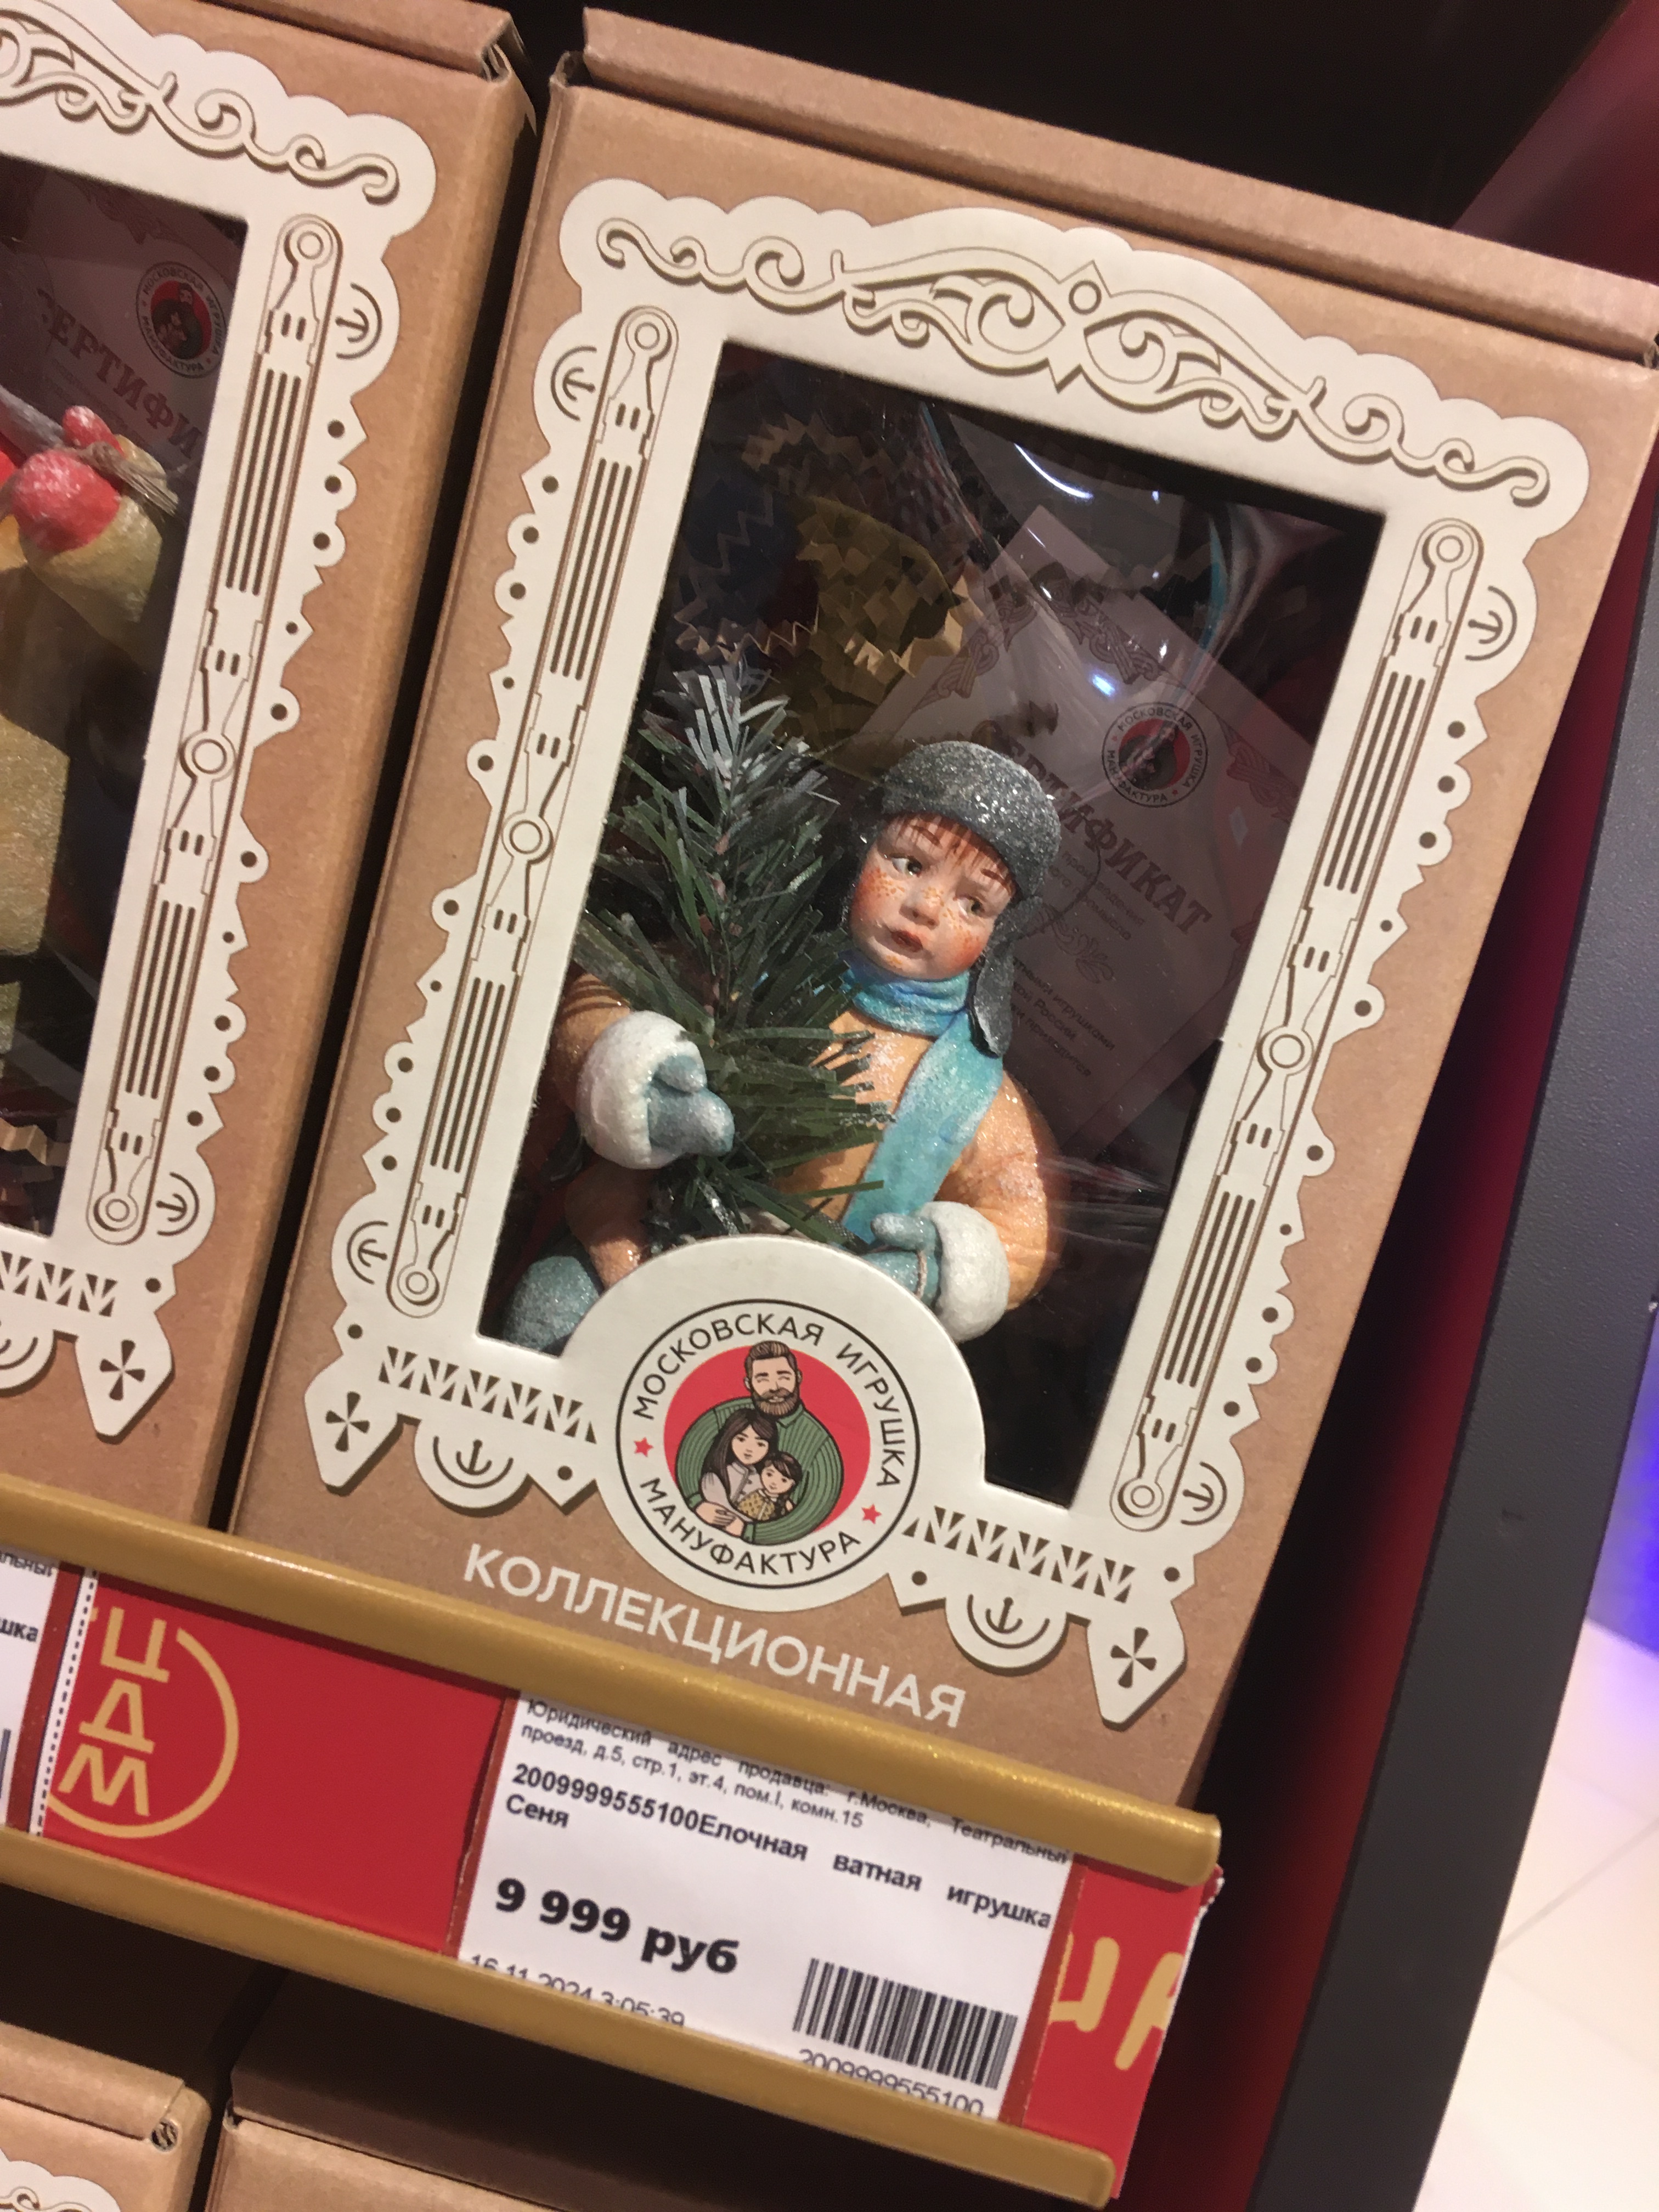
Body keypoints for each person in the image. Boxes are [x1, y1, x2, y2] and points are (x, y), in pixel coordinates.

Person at [507, 741, 1065, 1350]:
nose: (927, 907)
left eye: (973, 904)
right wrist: (636, 1074)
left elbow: (1024, 1216)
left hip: (797, 1331)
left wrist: (938, 1266)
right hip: (639, 1248)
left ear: (999, 935)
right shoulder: (748, 964)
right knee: (553, 1313)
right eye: (909, 864)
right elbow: (615, 988)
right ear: (861, 848)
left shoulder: (974, 1091)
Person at [677, 1341, 842, 1543]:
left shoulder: (820, 1442)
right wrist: (697, 1502)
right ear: (749, 1384)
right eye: (763, 1379)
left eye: (783, 1377)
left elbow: (812, 1513)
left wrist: (750, 1532)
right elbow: (690, 1454)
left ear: (798, 1378)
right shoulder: (727, 1414)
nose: (775, 1387)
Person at [696, 1407, 778, 1527]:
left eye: (760, 1444)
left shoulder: (765, 1480)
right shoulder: (715, 1476)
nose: (749, 1449)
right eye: (741, 1439)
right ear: (729, 1439)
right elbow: (722, 1509)